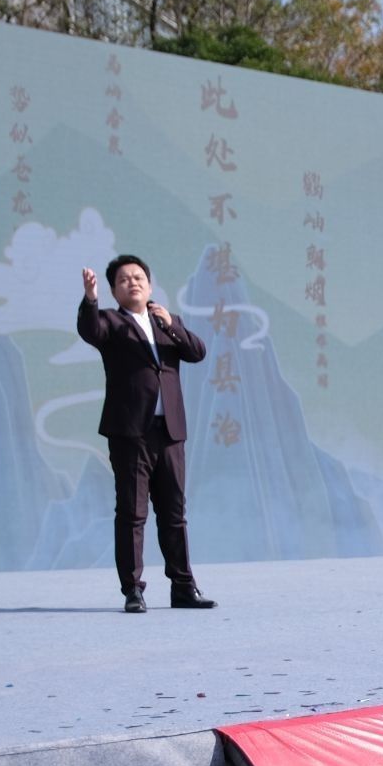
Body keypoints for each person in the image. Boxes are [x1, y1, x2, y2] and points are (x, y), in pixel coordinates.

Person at [78, 255, 214, 613]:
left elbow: (198, 352)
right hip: (131, 433)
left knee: (174, 514)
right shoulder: (110, 322)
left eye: (138, 277)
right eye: (124, 280)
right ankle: (133, 590)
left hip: (169, 432)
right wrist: (90, 299)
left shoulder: (167, 321)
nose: (133, 283)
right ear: (114, 291)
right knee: (132, 513)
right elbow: (90, 330)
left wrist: (171, 326)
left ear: (150, 286)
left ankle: (183, 587)